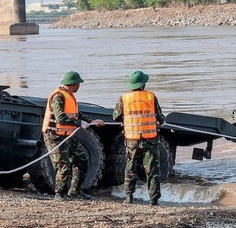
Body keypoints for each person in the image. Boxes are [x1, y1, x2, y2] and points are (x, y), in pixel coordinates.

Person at [43, 71, 102, 201]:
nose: (79, 87)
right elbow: (61, 118)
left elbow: (76, 114)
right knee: (62, 165)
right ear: (74, 85)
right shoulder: (58, 97)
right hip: (54, 136)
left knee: (82, 160)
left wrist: (91, 121)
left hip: (67, 136)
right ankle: (60, 194)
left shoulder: (70, 97)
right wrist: (80, 123)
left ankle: (75, 190)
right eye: (78, 84)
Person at [113, 70, 165, 206]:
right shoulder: (151, 97)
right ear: (143, 84)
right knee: (152, 170)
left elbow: (115, 116)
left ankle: (129, 198)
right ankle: (153, 200)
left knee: (130, 169)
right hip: (150, 140)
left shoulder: (124, 98)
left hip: (132, 140)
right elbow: (160, 117)